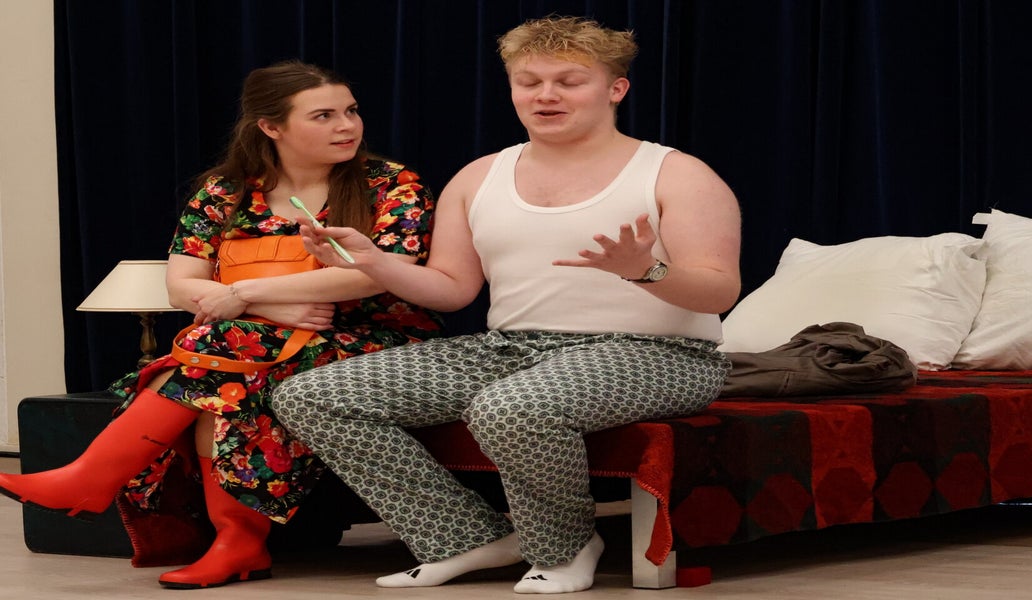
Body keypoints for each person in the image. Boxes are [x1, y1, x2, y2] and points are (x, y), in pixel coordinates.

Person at [273, 15, 741, 594]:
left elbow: (719, 290)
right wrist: (373, 262)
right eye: (529, 82)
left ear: (615, 88)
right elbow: (453, 289)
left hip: (661, 353)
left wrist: (646, 270)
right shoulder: (480, 176)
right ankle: (464, 537)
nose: (546, 95)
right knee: (312, 396)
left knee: (511, 407)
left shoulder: (677, 174)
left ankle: (565, 548)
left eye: (569, 81)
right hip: (513, 348)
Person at [0, 60, 441, 589]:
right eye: (323, 116)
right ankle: (235, 541)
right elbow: (181, 286)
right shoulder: (224, 191)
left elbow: (376, 274)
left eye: (350, 111)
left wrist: (247, 295)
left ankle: (96, 480)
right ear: (271, 127)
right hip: (253, 344)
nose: (347, 126)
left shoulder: (391, 183)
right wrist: (266, 310)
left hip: (376, 341)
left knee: (216, 348)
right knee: (227, 378)